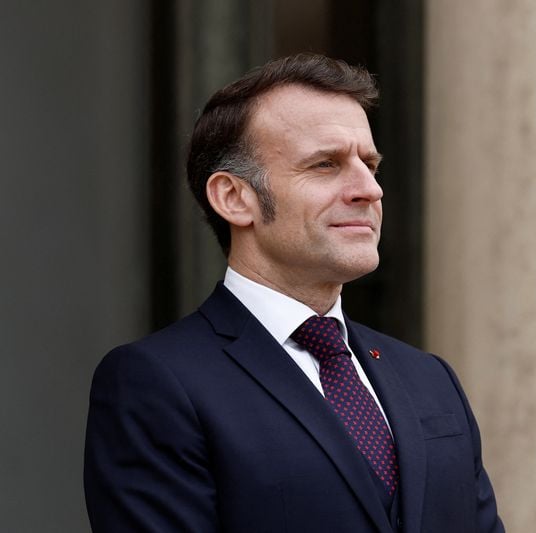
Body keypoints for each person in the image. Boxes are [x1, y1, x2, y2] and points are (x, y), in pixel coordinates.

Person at [84, 53, 504, 533]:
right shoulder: (156, 383)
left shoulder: (430, 378)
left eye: (370, 165)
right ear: (234, 198)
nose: (370, 190)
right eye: (325, 164)